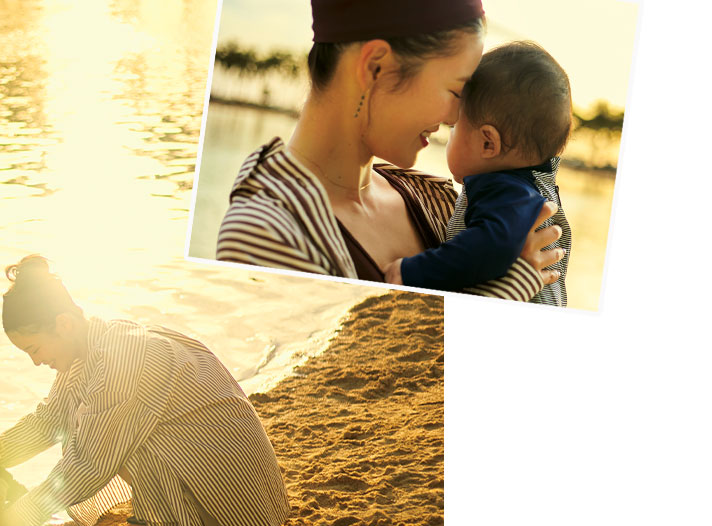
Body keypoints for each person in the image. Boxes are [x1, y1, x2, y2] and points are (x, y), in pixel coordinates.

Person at [0, 255, 289, 526]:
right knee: (92, 425)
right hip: (212, 462)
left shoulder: (119, 358)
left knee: (110, 438)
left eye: (35, 348)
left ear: (64, 324)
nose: (36, 361)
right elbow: (47, 422)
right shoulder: (89, 349)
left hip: (236, 485)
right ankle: (168, 513)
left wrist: (14, 518)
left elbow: (89, 462)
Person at [214, 0, 566, 301]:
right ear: (375, 66)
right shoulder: (265, 234)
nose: (455, 118)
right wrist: (516, 285)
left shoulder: (434, 197)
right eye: (456, 92)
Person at [384, 41, 572, 307]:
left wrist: (411, 273)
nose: (447, 132)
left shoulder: (506, 191)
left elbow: (489, 248)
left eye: (454, 127)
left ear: (487, 143)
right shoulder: (525, 190)